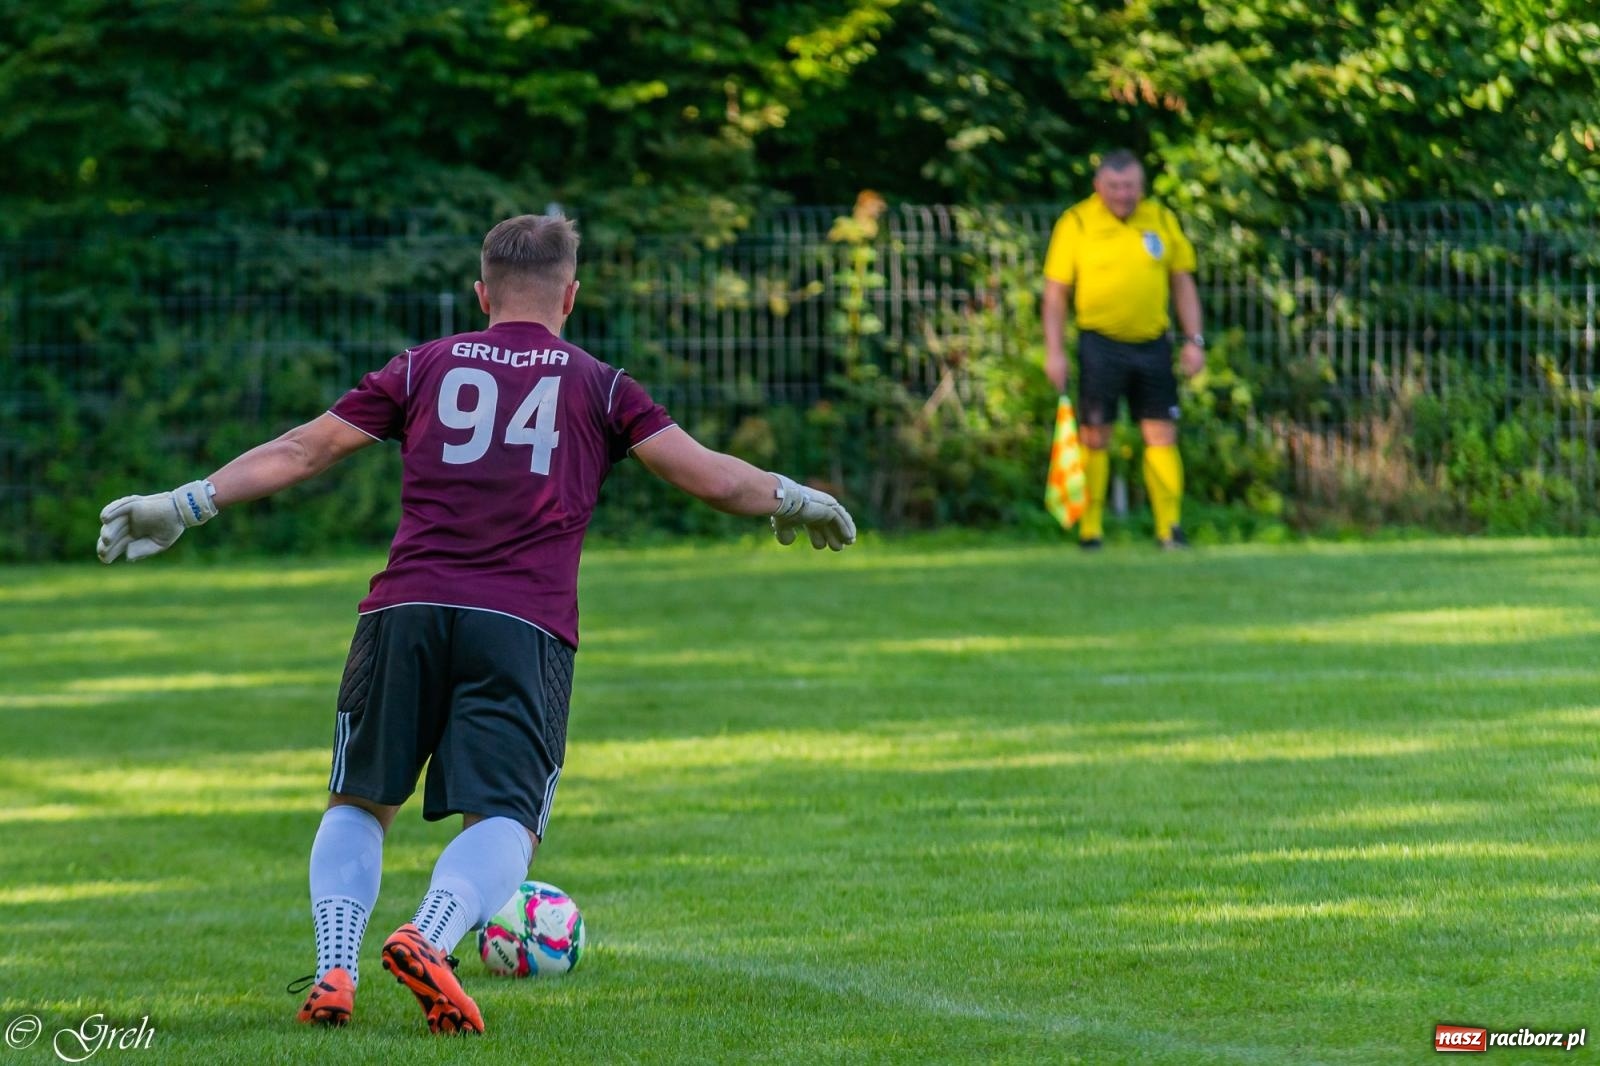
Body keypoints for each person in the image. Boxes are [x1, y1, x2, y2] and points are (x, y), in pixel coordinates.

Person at [95, 213, 856, 1035]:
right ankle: (428, 936)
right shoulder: (600, 384)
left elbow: (302, 450)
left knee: (358, 798)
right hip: (521, 625)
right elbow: (709, 478)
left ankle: (335, 972)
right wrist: (795, 495)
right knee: (506, 819)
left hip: (404, 610)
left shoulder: (423, 366)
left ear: (482, 292)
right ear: (570, 295)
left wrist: (183, 501)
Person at [1041, 149, 1205, 549]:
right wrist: (1054, 351)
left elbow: (1182, 282)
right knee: (1095, 434)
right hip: (1099, 344)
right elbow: (1055, 294)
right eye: (1114, 186)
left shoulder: (1161, 219)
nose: (1123, 194)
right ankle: (1091, 529)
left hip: (1153, 344)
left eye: (1130, 186)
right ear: (1099, 186)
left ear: (1141, 186)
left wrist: (1194, 340)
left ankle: (1170, 529)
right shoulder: (1077, 221)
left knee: (1161, 432)